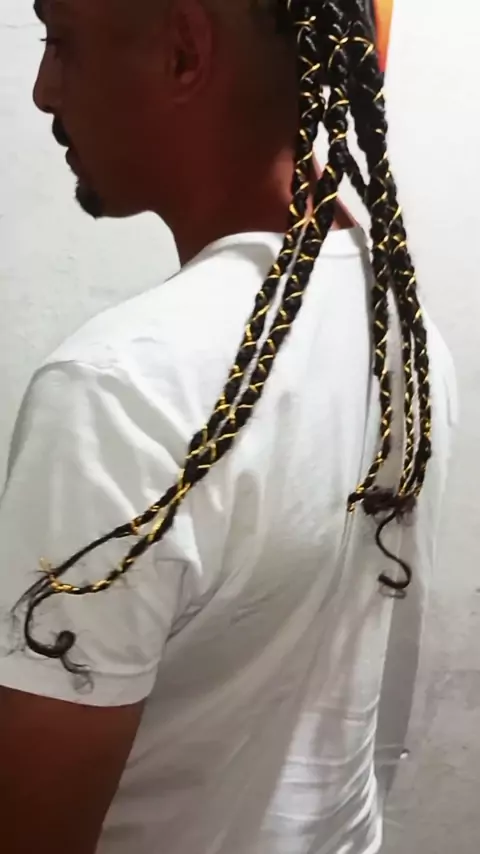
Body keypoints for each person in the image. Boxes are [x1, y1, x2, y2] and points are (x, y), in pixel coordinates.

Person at [0, 1, 456, 853]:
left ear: (183, 51)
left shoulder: (117, 392)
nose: (42, 90)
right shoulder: (399, 323)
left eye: (61, 41)